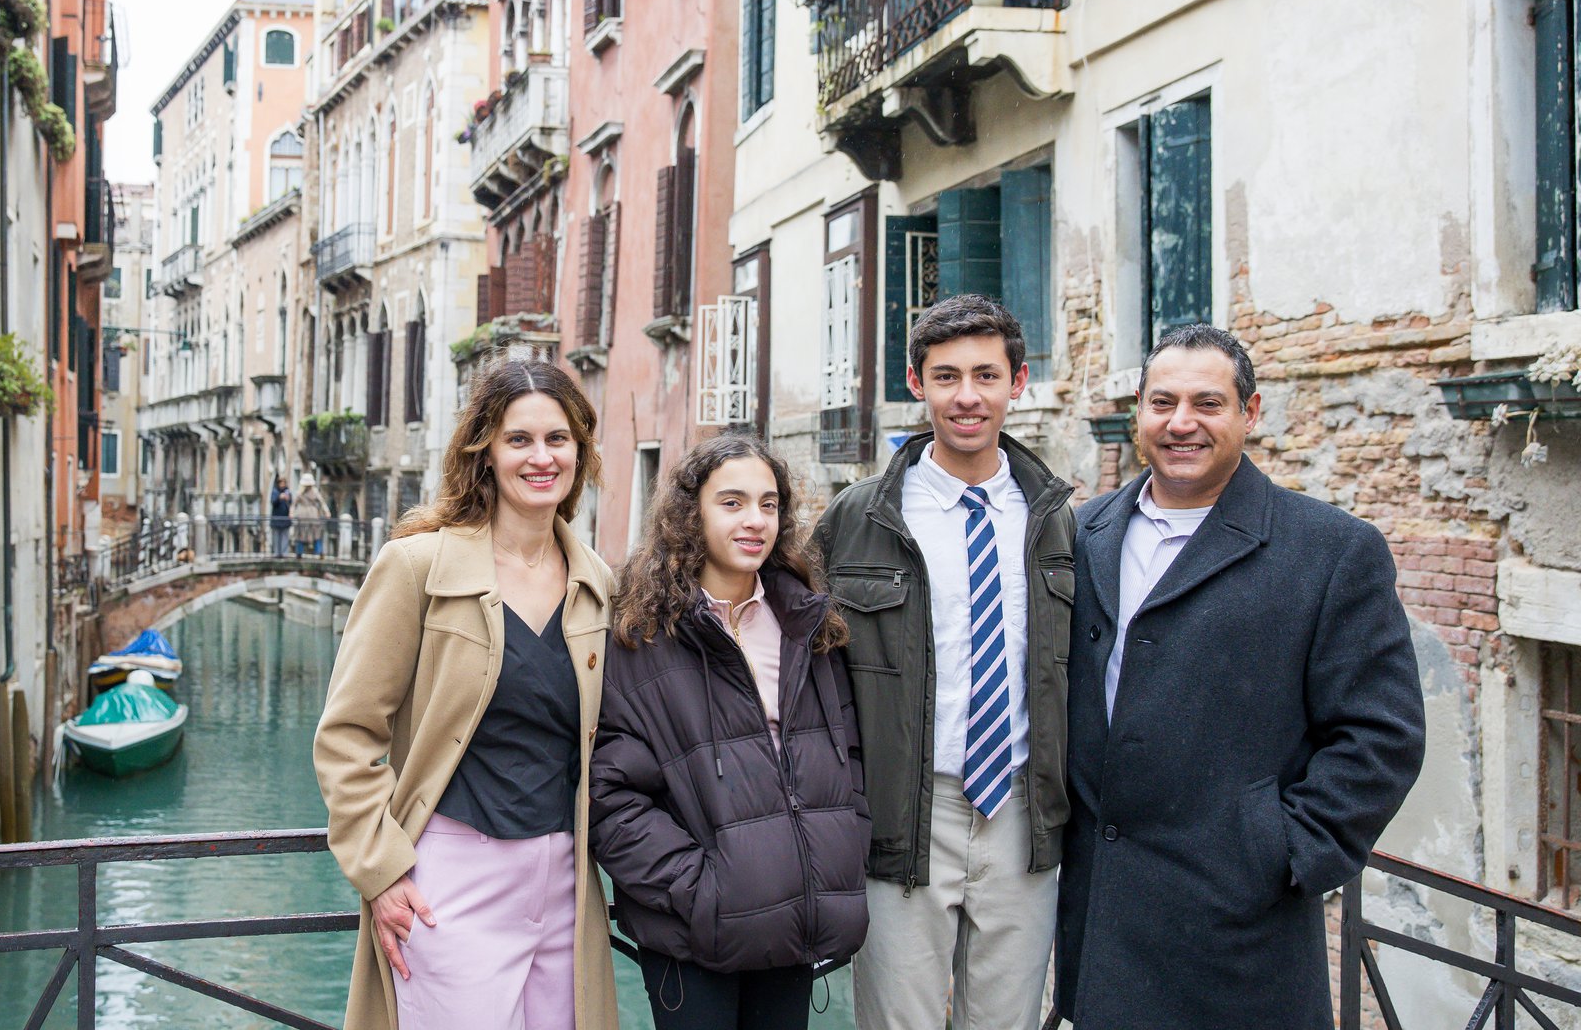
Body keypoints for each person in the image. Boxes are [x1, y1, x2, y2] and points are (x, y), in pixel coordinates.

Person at [1055, 324, 1425, 1029]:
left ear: (1249, 413)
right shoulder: (1081, 533)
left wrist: (1282, 851)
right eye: (1163, 402)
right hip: (1104, 927)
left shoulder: (1331, 549)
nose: (1181, 423)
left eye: (1207, 403)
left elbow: (1383, 735)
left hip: (1241, 938)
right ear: (1138, 411)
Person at [314, 359, 621, 1030]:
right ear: (485, 451)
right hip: (451, 877)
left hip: (567, 882)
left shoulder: (597, 583)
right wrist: (381, 869)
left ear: (579, 452)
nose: (541, 457)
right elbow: (347, 735)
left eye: (558, 439)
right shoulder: (417, 568)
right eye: (519, 440)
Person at [814, 294, 1075, 1030]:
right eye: (947, 376)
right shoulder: (856, 519)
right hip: (903, 813)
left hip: (1022, 813)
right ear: (916, 382)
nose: (968, 396)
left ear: (1017, 382)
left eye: (986, 376)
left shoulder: (1057, 520)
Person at [591, 434, 868, 1030]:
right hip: (694, 932)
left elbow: (848, 755)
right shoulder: (640, 636)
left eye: (769, 504)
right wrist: (699, 889)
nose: (755, 521)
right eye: (733, 503)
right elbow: (610, 794)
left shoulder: (807, 624)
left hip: (796, 916)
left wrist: (843, 844)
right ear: (691, 515)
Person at [269, 475, 293, 557]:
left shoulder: (288, 492)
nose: (282, 484)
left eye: (284, 483)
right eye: (281, 483)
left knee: (285, 536)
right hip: (276, 518)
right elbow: (273, 502)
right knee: (276, 537)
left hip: (285, 519)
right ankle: (277, 553)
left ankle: (284, 553)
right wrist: (279, 498)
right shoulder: (275, 492)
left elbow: (291, 503)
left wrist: (287, 499)